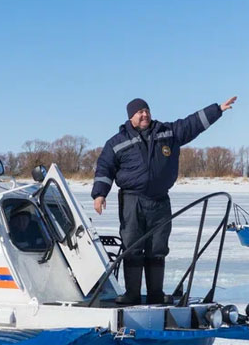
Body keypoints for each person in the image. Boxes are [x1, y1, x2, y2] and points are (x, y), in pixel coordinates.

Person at [92, 96, 236, 305]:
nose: (144, 114)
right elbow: (104, 168)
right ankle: (132, 294)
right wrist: (99, 194)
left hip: (159, 201)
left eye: (147, 110)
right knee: (132, 246)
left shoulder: (166, 132)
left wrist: (218, 110)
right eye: (140, 112)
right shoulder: (116, 142)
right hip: (133, 201)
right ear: (131, 116)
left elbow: (191, 124)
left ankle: (155, 294)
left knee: (157, 248)